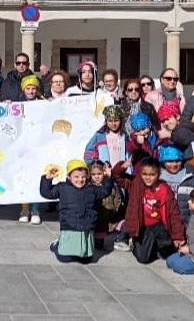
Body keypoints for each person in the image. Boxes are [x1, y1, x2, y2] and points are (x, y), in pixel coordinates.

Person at [113, 156, 186, 264]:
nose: (148, 178)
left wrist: (178, 237)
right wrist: (123, 166)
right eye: (144, 174)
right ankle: (134, 243)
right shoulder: (135, 184)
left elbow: (174, 214)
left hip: (160, 226)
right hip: (144, 227)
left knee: (168, 254)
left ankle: (155, 247)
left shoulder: (165, 190)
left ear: (159, 174)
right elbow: (118, 177)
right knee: (143, 259)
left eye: (152, 175)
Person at [40, 160, 114, 263]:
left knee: (86, 260)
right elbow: (46, 193)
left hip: (86, 228)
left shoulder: (91, 188)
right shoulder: (62, 188)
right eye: (76, 177)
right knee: (64, 258)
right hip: (69, 227)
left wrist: (109, 178)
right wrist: (47, 179)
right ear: (69, 177)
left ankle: (82, 253)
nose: (80, 180)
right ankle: (57, 245)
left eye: (83, 177)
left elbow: (105, 191)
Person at [157, 144, 194, 225]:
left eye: (178, 161)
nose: (174, 164)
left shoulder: (191, 177)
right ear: (163, 161)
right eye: (170, 161)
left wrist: (191, 225)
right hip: (162, 224)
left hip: (185, 224)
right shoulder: (157, 177)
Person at [17, 74, 43, 224]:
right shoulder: (18, 104)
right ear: (24, 89)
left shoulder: (43, 103)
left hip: (37, 146)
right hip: (22, 146)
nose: (31, 91)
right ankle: (24, 208)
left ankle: (35, 209)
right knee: (23, 177)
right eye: (28, 88)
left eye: (34, 88)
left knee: (36, 177)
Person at [90, 161, 123, 251]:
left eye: (99, 174)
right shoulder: (89, 187)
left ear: (104, 172)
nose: (96, 176)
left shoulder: (110, 185)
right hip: (94, 219)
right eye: (93, 174)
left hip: (109, 216)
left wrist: (116, 210)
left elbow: (117, 199)